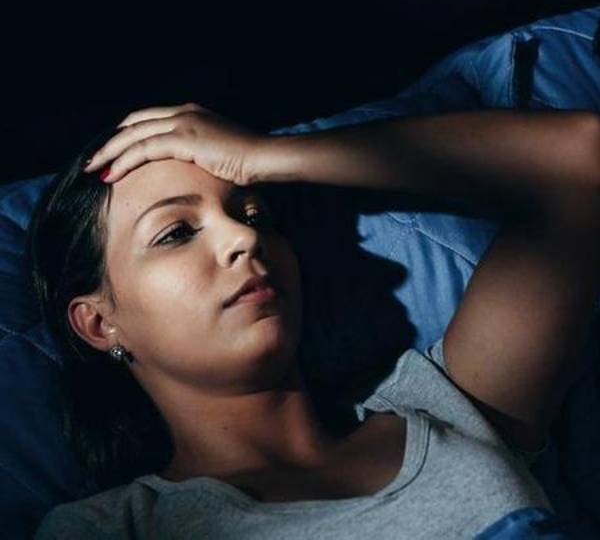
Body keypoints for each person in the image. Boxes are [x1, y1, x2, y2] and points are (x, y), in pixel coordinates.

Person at [29, 101, 600, 538]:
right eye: (176, 232)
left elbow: (582, 156)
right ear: (98, 324)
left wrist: (265, 156)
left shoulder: (454, 411)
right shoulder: (112, 528)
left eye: (256, 214)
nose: (243, 237)